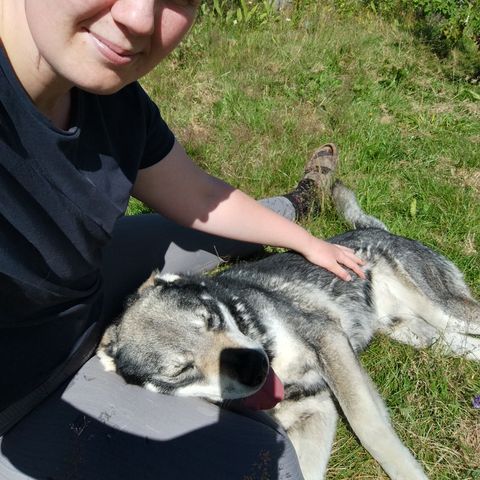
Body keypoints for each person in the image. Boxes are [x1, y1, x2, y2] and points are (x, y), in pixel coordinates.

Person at [0, 1, 365, 478]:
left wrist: (307, 242)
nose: (137, 18)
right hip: (31, 389)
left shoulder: (113, 98)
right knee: (263, 460)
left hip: (89, 272)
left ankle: (297, 202)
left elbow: (197, 195)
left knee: (200, 229)